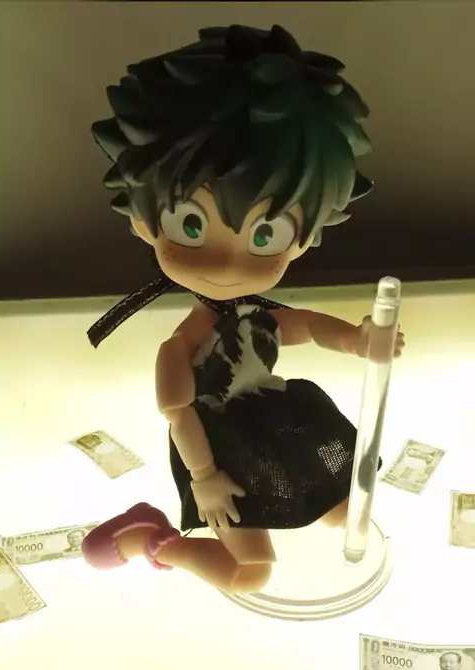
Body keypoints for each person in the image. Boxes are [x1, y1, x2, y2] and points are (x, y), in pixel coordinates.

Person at [81, 24, 405, 594]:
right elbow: (180, 413)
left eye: (265, 234)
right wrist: (204, 478)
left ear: (303, 239)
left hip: (283, 423)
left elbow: (304, 326)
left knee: (343, 509)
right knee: (251, 574)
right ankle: (148, 539)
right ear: (142, 221)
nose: (227, 264)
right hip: (222, 451)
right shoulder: (181, 346)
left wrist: (358, 340)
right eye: (190, 225)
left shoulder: (258, 315)